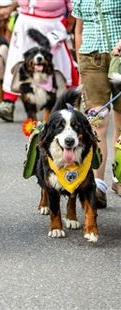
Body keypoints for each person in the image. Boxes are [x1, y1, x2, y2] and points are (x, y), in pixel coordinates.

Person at [0, 0, 78, 122]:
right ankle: (8, 103)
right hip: (24, 23)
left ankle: (66, 107)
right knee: (17, 63)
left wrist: (67, 25)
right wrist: (10, 8)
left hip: (52, 26)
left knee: (57, 67)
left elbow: (74, 7)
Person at [73, 0, 121, 206]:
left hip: (119, 56)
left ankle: (118, 177)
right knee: (98, 121)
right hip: (90, 59)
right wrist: (79, 65)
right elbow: (78, 30)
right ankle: (98, 185)